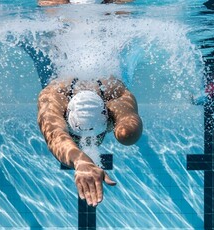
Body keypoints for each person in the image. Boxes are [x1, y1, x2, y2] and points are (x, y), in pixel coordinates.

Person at [37, 76, 143, 207]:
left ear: (109, 116)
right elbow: (55, 136)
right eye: (75, 136)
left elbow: (129, 127)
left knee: (127, 137)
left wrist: (127, 133)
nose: (83, 142)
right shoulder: (52, 98)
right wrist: (81, 161)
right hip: (56, 77)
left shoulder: (117, 96)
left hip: (108, 87)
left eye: (96, 136)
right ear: (65, 114)